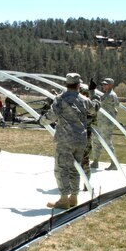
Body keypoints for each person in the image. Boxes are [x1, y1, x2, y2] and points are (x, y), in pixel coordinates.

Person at [39, 73, 94, 209]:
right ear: (78, 85)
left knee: (61, 169)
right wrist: (93, 93)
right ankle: (73, 198)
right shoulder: (84, 100)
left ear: (66, 84)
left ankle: (64, 200)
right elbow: (94, 108)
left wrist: (41, 120)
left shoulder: (61, 99)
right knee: (75, 168)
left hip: (65, 140)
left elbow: (51, 116)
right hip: (80, 140)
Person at [91, 77, 120, 170]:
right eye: (103, 84)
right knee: (96, 141)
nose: (103, 86)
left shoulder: (110, 95)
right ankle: (95, 161)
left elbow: (95, 103)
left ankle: (114, 163)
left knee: (107, 142)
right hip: (100, 121)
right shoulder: (108, 94)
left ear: (111, 85)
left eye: (106, 84)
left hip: (106, 123)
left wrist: (91, 91)